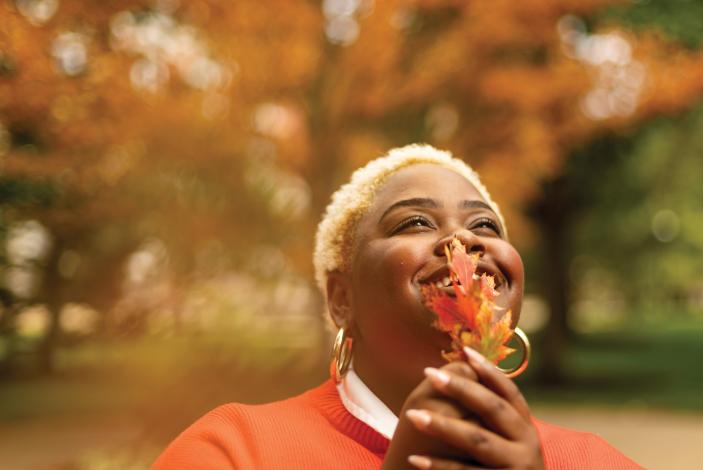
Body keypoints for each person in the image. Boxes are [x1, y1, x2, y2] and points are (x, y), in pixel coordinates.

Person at [153, 144, 643, 469]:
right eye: (414, 223)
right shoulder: (234, 450)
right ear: (341, 299)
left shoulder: (596, 461)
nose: (462, 239)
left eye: (486, 227)